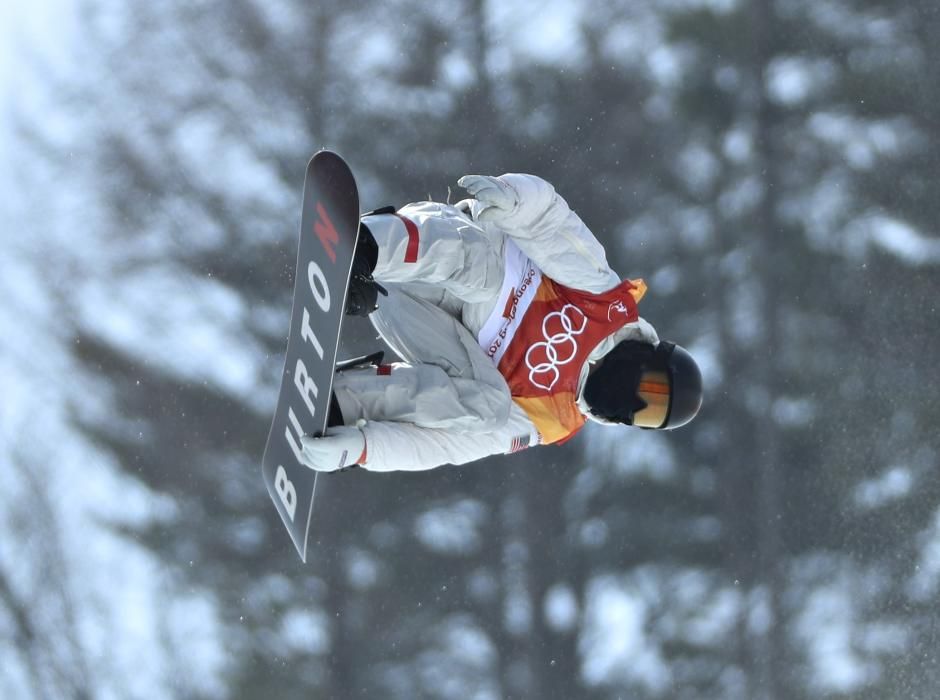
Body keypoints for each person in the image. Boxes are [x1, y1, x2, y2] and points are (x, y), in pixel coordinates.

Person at [299, 172, 702, 473]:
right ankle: (365, 246)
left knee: (487, 411)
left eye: (647, 413)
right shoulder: (605, 303)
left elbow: (449, 447)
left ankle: (344, 403)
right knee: (484, 274)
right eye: (651, 389)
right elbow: (551, 223)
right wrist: (514, 199)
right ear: (649, 356)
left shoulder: (553, 418)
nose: (636, 402)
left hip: (409, 310)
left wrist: (365, 448)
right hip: (439, 254)